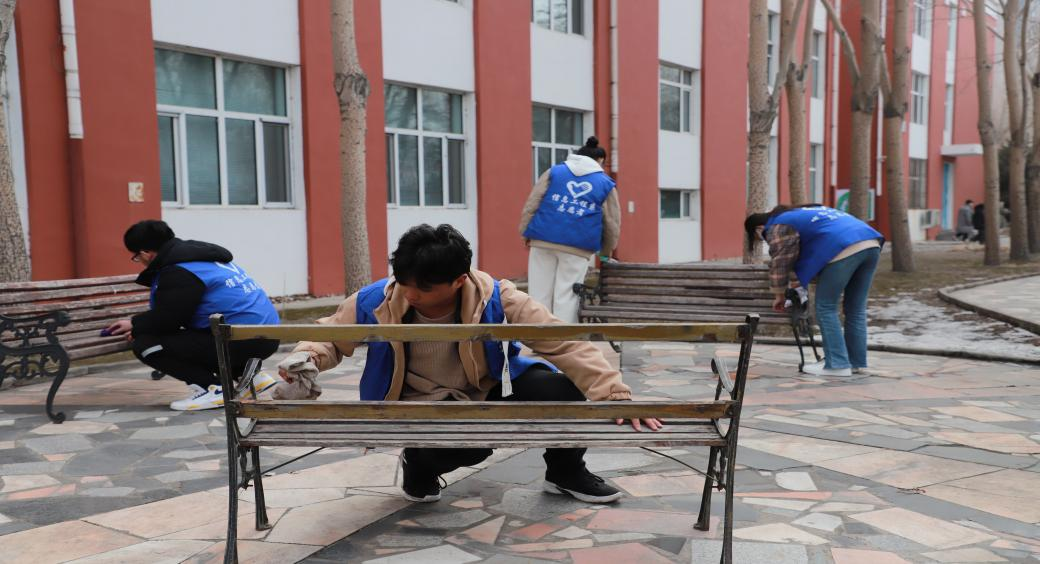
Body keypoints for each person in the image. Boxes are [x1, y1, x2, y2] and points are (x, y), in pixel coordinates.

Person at [277, 224, 660, 504]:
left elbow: (563, 342)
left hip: (482, 388)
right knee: (471, 448)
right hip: (415, 401)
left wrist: (615, 395)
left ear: (459, 280)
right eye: (404, 281)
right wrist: (306, 357)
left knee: (566, 389)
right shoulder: (378, 299)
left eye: (424, 288)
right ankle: (418, 462)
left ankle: (566, 471)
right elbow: (330, 335)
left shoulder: (496, 296)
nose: (410, 294)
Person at [107, 220, 281, 411]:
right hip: (266, 336)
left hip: (242, 341)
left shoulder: (179, 269)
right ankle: (249, 377)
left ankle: (212, 389)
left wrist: (135, 325)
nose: (139, 261)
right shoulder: (203, 259)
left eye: (136, 257)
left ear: (146, 253)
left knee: (146, 344)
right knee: (195, 337)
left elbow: (169, 319)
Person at [744, 205, 884, 377]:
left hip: (843, 246)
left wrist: (779, 295)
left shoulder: (777, 225)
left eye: (760, 239)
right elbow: (802, 255)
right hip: (871, 243)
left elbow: (781, 262)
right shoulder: (798, 214)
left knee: (826, 307)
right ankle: (855, 362)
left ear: (759, 228)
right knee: (855, 309)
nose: (766, 240)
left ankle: (837, 364)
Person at [519, 136, 621, 323]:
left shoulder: (554, 172)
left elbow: (533, 203)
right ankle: (563, 337)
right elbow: (611, 222)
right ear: (600, 160)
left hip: (542, 239)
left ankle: (537, 335)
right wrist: (606, 252)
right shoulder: (605, 183)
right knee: (567, 296)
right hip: (577, 246)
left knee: (539, 293)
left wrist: (525, 232)